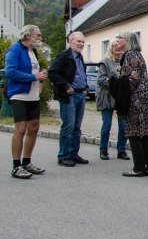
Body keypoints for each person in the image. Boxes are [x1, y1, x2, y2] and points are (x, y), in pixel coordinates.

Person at [116, 32, 148, 177]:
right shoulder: (138, 54)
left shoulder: (130, 55)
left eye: (120, 39)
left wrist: (120, 90)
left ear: (128, 41)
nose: (118, 41)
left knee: (134, 133)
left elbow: (133, 79)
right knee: (146, 134)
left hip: (137, 99)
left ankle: (138, 168)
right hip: (147, 97)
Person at [6, 25, 48, 179]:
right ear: (27, 36)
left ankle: (27, 162)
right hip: (19, 95)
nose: (40, 38)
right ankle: (16, 166)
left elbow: (33, 71)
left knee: (34, 127)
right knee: (21, 128)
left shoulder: (33, 52)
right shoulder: (15, 50)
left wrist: (40, 79)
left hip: (33, 96)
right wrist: (34, 78)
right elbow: (10, 71)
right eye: (38, 35)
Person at [48, 31, 89, 167]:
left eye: (83, 42)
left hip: (80, 95)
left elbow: (80, 73)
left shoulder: (79, 57)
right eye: (78, 41)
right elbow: (52, 72)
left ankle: (73, 154)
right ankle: (64, 156)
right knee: (68, 126)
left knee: (77, 127)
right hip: (69, 96)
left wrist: (85, 87)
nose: (81, 44)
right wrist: (66, 85)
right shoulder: (64, 56)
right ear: (71, 42)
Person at [96, 38, 128, 161]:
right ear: (110, 47)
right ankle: (103, 150)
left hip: (120, 97)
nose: (117, 48)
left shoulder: (124, 61)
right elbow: (101, 80)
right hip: (107, 96)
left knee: (123, 125)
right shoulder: (105, 61)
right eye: (114, 45)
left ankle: (121, 150)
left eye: (119, 45)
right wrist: (116, 84)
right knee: (107, 124)